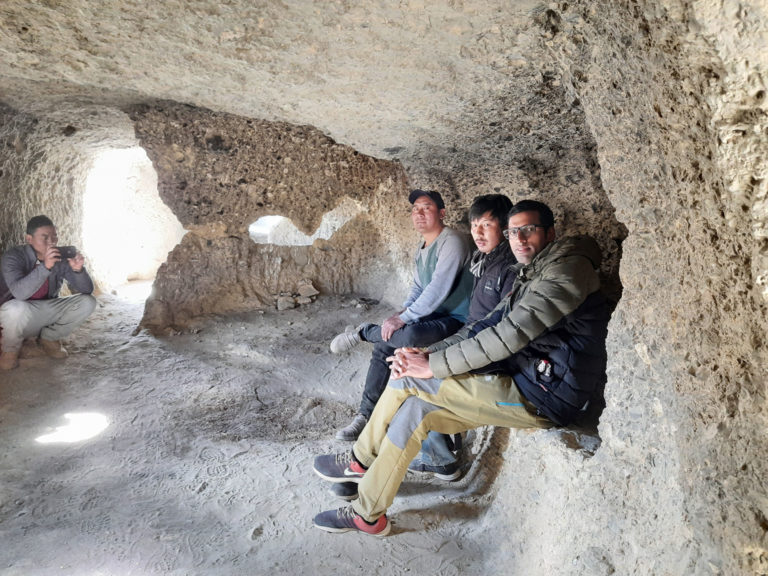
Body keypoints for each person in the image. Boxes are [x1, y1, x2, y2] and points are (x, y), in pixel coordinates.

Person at [311, 199, 610, 536]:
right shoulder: (533, 272)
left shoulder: (566, 272)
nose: (520, 239)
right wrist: (425, 354)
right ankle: (368, 515)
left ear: (550, 233)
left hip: (544, 396)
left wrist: (431, 365)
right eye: (513, 232)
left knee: (407, 382)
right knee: (414, 410)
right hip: (522, 378)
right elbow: (485, 324)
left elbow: (508, 335)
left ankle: (359, 461)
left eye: (529, 230)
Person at [328, 189, 473, 443]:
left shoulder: (452, 241)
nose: (419, 214)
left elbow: (438, 289)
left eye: (426, 208)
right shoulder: (422, 247)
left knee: (410, 334)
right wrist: (402, 312)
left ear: (441, 213)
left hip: (455, 318)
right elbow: (418, 288)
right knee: (386, 341)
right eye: (415, 209)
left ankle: (364, 332)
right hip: (432, 314)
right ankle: (365, 415)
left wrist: (404, 319)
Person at [406, 193, 518, 480]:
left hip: (493, 356)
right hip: (476, 341)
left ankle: (438, 458)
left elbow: (496, 330)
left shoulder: (508, 268)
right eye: (474, 225)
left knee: (419, 377)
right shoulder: (485, 261)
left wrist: (440, 356)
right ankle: (439, 446)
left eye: (486, 225)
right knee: (412, 358)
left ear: (505, 228)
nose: (477, 233)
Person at [0, 215, 97, 370]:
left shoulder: (59, 258)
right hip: (16, 317)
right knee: (15, 308)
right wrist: (45, 267)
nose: (51, 242)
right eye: (44, 237)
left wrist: (78, 270)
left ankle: (49, 338)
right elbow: (20, 294)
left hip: (45, 312)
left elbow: (87, 290)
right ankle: (10, 350)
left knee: (88, 302)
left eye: (54, 237)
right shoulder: (13, 257)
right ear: (29, 239)